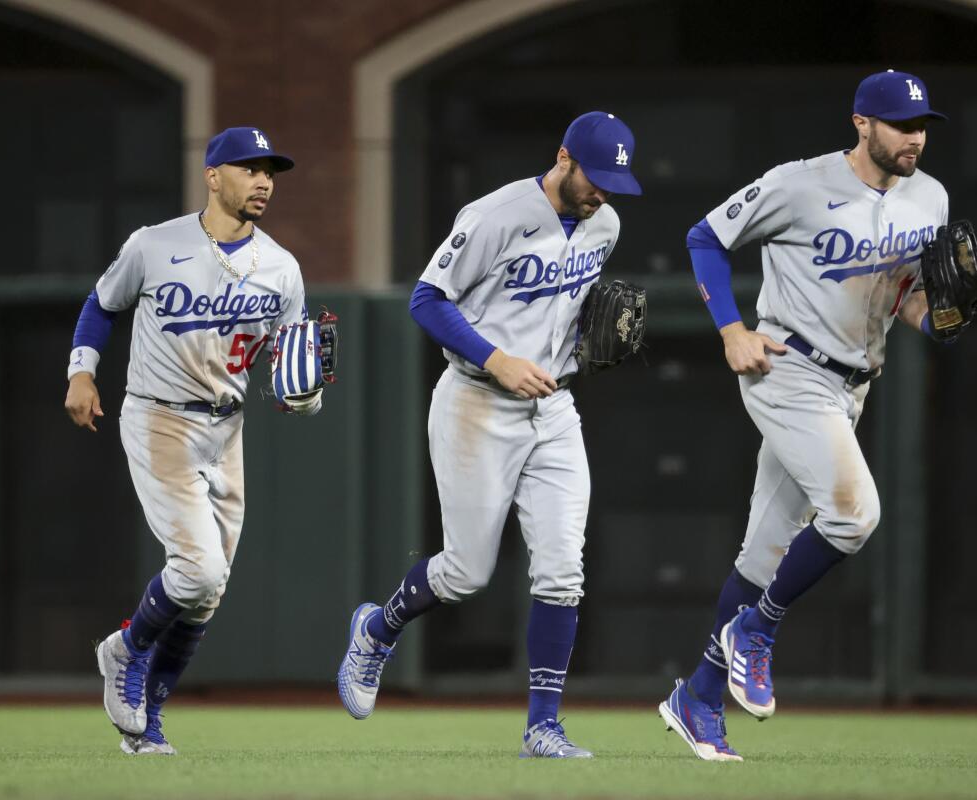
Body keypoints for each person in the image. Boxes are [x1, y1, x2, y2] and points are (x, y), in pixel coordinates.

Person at [658, 70, 950, 761]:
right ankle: (757, 630)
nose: (914, 139)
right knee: (854, 514)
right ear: (861, 124)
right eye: (901, 125)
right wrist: (731, 329)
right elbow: (705, 237)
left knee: (765, 550)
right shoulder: (798, 183)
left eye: (922, 127)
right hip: (786, 367)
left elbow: (901, 293)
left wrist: (936, 318)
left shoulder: (930, 197)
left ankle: (697, 698)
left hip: (853, 384)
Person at [336, 111, 642, 758]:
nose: (604, 191)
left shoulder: (605, 224)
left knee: (562, 571)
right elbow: (426, 299)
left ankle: (543, 727)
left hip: (555, 410)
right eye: (596, 175)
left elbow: (568, 308)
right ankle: (378, 630)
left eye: (616, 180)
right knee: (467, 572)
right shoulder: (496, 214)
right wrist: (497, 357)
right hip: (476, 401)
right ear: (563, 157)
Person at [64, 126, 314, 755]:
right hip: (159, 417)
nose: (263, 181)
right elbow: (101, 304)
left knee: (207, 595)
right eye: (250, 168)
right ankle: (124, 649)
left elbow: (292, 362)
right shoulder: (155, 244)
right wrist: (81, 370)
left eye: (270, 172)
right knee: (197, 570)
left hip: (225, 428)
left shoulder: (282, 267)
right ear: (212, 175)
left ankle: (147, 729)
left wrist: (301, 392)